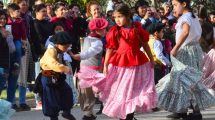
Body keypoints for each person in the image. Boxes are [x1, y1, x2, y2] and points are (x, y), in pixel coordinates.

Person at [76, 4, 157, 120]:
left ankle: (129, 115)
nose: (117, 20)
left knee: (133, 92)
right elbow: (110, 48)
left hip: (137, 63)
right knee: (123, 92)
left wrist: (151, 59)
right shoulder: (115, 31)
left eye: (120, 16)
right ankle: (125, 116)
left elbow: (145, 44)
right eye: (115, 17)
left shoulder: (137, 28)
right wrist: (105, 64)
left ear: (128, 16)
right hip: (120, 64)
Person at [156, 0, 215, 120]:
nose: (174, 8)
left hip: (186, 50)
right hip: (193, 50)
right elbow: (196, 36)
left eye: (175, 5)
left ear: (183, 4)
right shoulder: (193, 17)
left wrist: (176, 48)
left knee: (187, 80)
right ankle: (180, 109)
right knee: (182, 80)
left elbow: (186, 32)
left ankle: (196, 112)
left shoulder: (186, 18)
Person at [70, 18, 109, 120]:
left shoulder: (90, 40)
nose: (105, 31)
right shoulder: (96, 42)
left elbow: (88, 53)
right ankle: (89, 114)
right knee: (86, 93)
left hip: (91, 70)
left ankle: (89, 113)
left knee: (88, 93)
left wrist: (77, 56)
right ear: (96, 30)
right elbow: (89, 52)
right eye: (103, 29)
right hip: (88, 71)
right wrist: (78, 56)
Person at [40, 31, 76, 120]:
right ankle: (53, 117)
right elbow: (52, 63)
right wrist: (63, 68)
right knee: (51, 98)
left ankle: (66, 112)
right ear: (57, 44)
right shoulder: (51, 51)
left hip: (58, 77)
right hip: (48, 76)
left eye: (68, 46)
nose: (66, 48)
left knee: (67, 92)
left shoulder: (61, 52)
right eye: (65, 46)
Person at [7, 3, 27, 109]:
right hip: (10, 41)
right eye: (17, 11)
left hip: (18, 40)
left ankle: (16, 62)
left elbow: (23, 32)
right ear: (11, 13)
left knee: (18, 47)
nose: (19, 13)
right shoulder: (8, 22)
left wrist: (24, 40)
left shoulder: (20, 21)